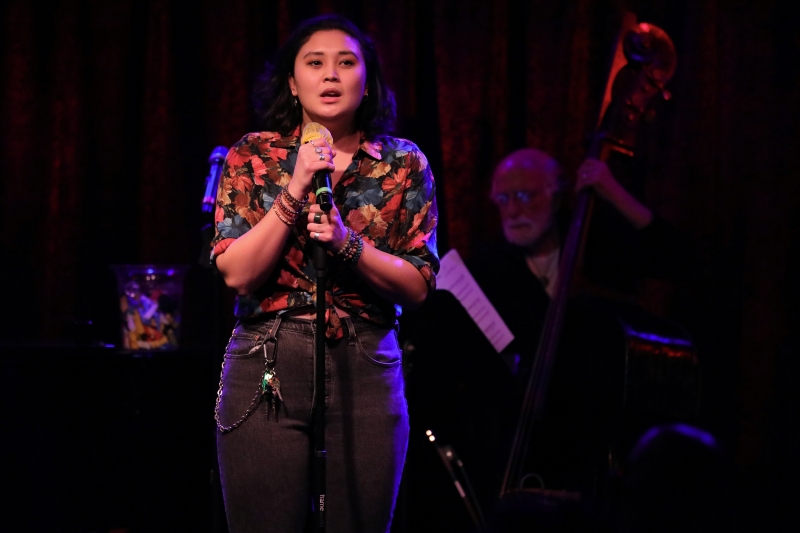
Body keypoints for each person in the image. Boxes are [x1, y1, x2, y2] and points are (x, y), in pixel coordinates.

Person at [209, 14, 438, 533]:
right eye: (315, 63)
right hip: (268, 357)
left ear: (367, 79)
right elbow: (238, 275)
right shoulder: (254, 155)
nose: (330, 75)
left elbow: (418, 284)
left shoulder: (403, 164)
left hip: (367, 359)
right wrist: (295, 186)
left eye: (346, 63)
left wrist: (346, 243)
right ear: (294, 82)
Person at [400, 148, 691, 532]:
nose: (513, 209)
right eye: (503, 199)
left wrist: (611, 191)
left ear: (557, 196)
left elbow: (676, 257)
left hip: (595, 449)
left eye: (526, 195)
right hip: (513, 447)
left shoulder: (595, 247)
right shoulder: (487, 268)